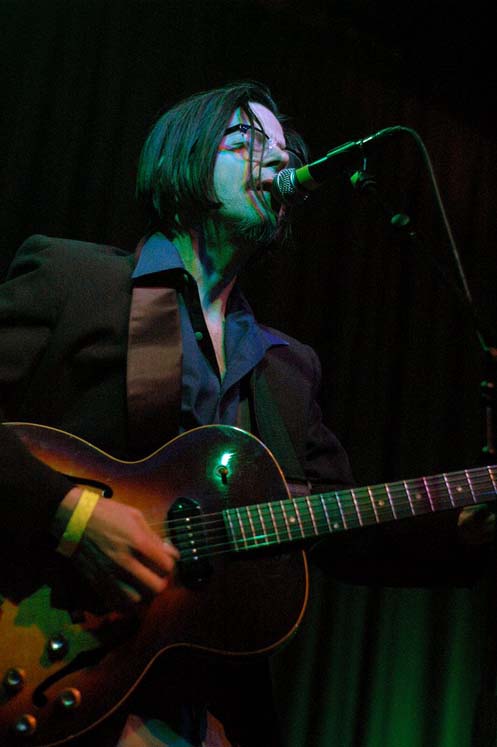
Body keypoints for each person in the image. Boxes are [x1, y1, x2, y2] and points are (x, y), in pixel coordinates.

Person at [0, 81, 493, 747]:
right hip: (44, 660)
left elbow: (339, 526)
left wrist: (465, 528)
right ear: (183, 159)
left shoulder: (287, 367)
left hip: (201, 706)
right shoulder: (72, 279)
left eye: (281, 150)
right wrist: (72, 514)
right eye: (243, 143)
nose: (272, 162)